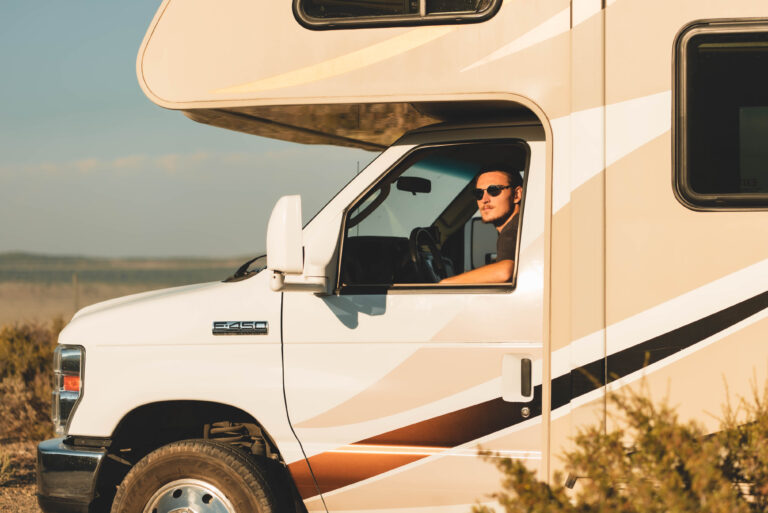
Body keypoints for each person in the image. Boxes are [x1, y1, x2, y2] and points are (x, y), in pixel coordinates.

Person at [440, 168, 523, 284]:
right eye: (479, 193)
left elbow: (505, 271)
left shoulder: (514, 231)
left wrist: (445, 284)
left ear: (516, 195)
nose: (484, 199)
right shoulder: (519, 226)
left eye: (494, 190)